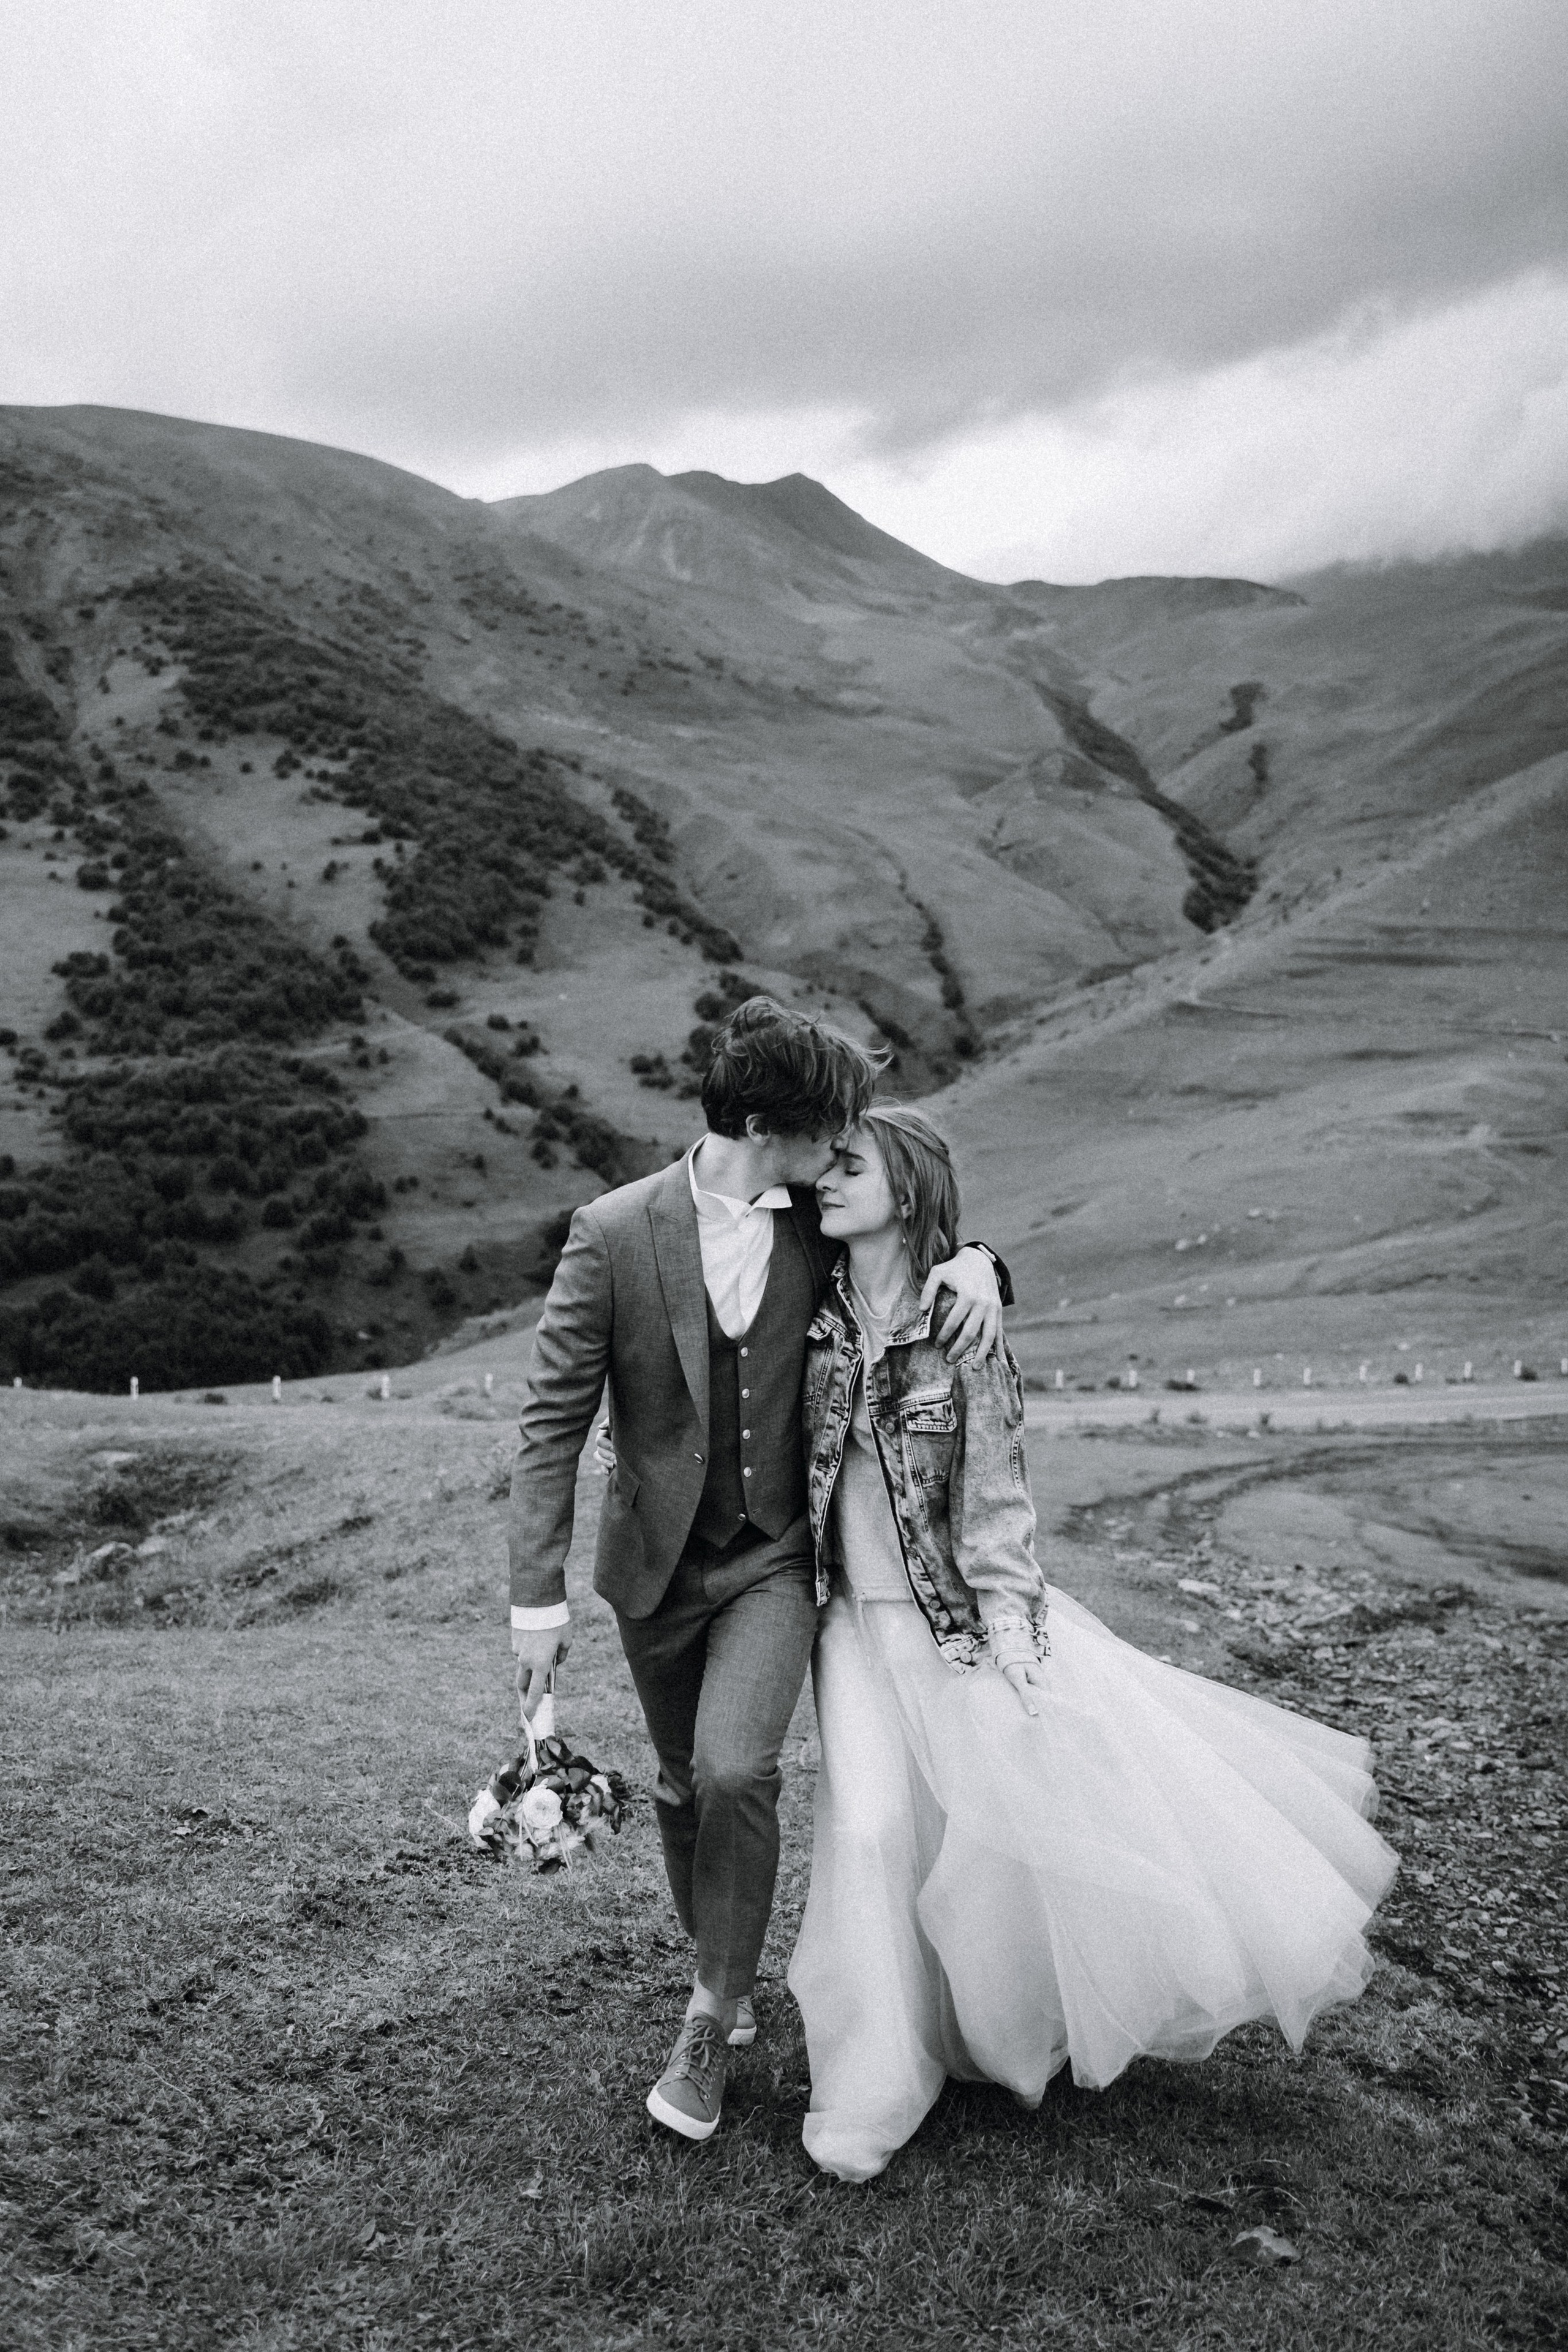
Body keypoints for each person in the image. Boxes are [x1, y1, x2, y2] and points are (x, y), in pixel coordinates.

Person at [788, 1105, 1399, 2183]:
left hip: (960, 1625)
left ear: (911, 1190)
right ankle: (876, 2077)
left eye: (850, 1167)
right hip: (848, 1626)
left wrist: (1018, 1643)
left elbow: (996, 1497)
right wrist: (985, 1257)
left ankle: (986, 2027)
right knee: (875, 1830)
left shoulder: (961, 1324)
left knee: (991, 1836)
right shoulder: (808, 1302)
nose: (823, 1180)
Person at [506, 1000, 1010, 2143]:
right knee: (685, 1786)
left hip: (776, 1558)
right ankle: (719, 1964)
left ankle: (708, 2016)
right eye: (826, 1128)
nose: (844, 1149)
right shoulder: (613, 1231)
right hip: (654, 1571)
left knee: (738, 1772)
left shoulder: (813, 1220)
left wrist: (983, 1263)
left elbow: (917, 1233)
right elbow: (549, 1425)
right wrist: (534, 1602)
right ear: (755, 1124)